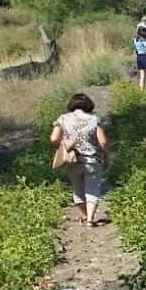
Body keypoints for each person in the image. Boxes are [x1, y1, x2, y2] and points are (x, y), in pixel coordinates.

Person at [50, 92, 113, 227]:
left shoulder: (63, 119)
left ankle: (84, 216)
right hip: (93, 160)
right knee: (92, 189)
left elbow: (54, 138)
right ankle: (90, 219)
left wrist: (64, 146)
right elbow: (103, 142)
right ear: (88, 105)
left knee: (77, 189)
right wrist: (107, 155)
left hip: (72, 160)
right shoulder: (94, 119)